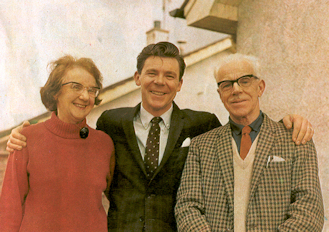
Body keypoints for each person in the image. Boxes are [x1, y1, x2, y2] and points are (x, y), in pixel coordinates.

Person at [6, 43, 314, 232]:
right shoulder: (112, 123)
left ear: (180, 84)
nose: (160, 82)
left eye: (169, 76)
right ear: (138, 77)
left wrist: (289, 121)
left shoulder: (202, 124)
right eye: (152, 73)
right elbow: (71, 142)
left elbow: (242, 131)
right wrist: (24, 134)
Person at [174, 53, 324, 232]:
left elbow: (309, 209)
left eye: (244, 81)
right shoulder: (201, 146)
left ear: (260, 87)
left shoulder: (295, 139)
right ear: (220, 94)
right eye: (226, 85)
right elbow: (187, 207)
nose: (236, 90)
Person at [0, 55, 115, 232]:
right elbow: (9, 211)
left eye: (92, 90)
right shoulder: (26, 139)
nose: (85, 96)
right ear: (55, 92)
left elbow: (120, 200)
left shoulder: (104, 144)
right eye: (76, 87)